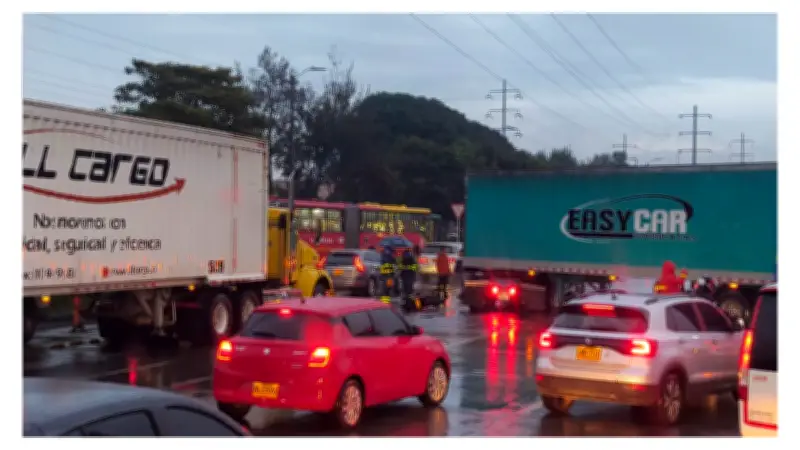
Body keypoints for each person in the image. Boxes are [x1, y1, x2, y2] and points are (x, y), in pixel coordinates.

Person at [399, 247, 419, 311]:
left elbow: (401, 269)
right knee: (409, 291)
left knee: (405, 291)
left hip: (405, 277)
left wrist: (401, 275)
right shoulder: (412, 259)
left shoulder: (403, 260)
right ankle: (409, 303)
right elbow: (415, 269)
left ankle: (405, 302)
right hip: (410, 277)